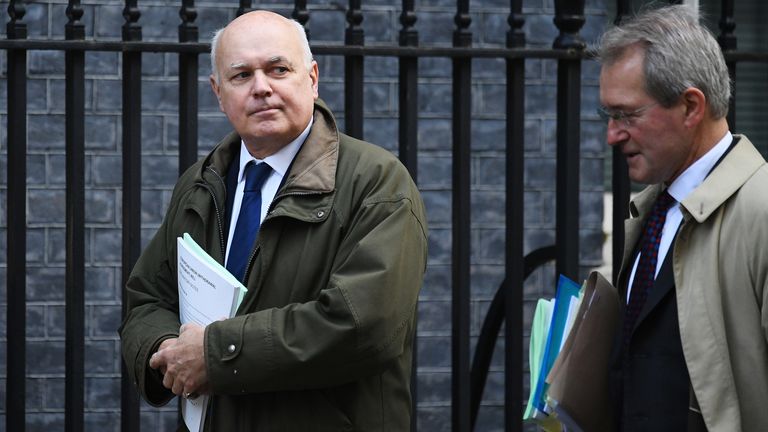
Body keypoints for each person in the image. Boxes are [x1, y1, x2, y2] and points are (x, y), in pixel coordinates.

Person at [119, 10, 428, 431]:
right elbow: (147, 299)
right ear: (218, 92)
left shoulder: (376, 182)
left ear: (313, 77)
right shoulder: (200, 183)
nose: (261, 87)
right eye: (241, 75)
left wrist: (213, 354)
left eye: (278, 69)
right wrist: (167, 350)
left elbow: (362, 326)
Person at [596, 5, 768, 432]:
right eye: (609, 116)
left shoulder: (760, 211)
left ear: (691, 106)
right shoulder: (654, 209)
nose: (612, 135)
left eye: (626, 114)